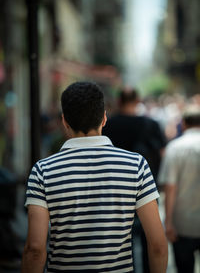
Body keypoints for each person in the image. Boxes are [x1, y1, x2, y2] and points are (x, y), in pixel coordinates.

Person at [21, 81, 168, 273]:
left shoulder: (42, 171)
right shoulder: (137, 165)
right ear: (104, 118)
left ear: (64, 121)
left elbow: (35, 249)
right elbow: (157, 245)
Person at [103, 88, 167, 273]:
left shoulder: (109, 125)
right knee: (151, 236)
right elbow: (163, 153)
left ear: (119, 100)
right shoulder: (151, 124)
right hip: (147, 185)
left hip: (115, 189)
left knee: (121, 236)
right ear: (137, 100)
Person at [158, 105, 200, 273]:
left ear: (183, 123)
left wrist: (168, 222)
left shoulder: (174, 148)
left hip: (182, 223)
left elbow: (170, 187)